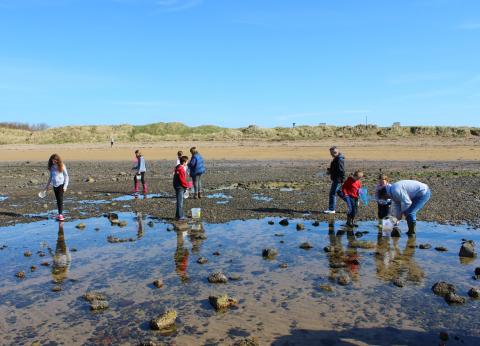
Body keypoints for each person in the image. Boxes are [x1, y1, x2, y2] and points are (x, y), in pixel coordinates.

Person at [45, 154, 69, 221]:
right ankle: (59, 214)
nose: (53, 162)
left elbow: (66, 176)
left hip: (61, 185)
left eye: (54, 161)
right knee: (58, 200)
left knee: (60, 199)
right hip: (54, 185)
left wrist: (65, 186)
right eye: (52, 161)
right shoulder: (52, 167)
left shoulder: (62, 165)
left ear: (57, 160)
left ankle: (61, 215)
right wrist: (47, 186)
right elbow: (51, 177)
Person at [324, 146, 345, 214]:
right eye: (331, 153)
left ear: (338, 152)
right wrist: (330, 171)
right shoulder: (336, 158)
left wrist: (342, 180)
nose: (333, 154)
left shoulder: (339, 159)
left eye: (334, 152)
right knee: (339, 193)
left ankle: (331, 209)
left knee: (332, 193)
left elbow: (341, 171)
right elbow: (336, 169)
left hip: (338, 180)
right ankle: (353, 201)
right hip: (336, 179)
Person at [173, 155, 189, 220]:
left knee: (179, 201)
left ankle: (177, 215)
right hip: (180, 187)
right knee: (180, 202)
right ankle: (180, 216)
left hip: (176, 185)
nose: (187, 163)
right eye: (187, 162)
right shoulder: (181, 169)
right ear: (184, 162)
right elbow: (182, 179)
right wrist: (186, 187)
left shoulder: (178, 167)